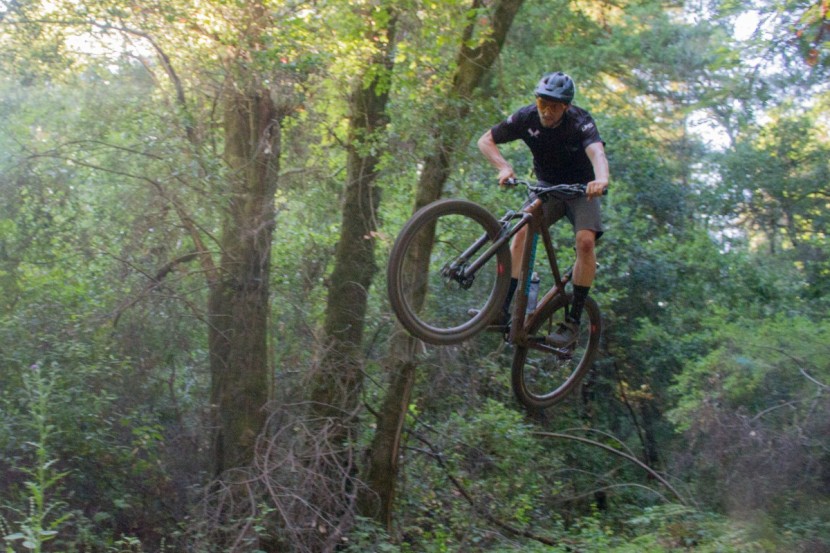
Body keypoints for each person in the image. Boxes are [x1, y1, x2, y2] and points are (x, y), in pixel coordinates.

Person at [477, 71, 609, 346]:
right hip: (547, 187)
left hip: (581, 190)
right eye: (542, 103)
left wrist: (601, 179)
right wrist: (503, 167)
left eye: (553, 106)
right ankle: (502, 309)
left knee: (585, 242)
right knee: (521, 231)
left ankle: (572, 322)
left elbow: (597, 152)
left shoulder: (580, 122)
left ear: (566, 107)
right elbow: (485, 140)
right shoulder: (526, 117)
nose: (546, 111)